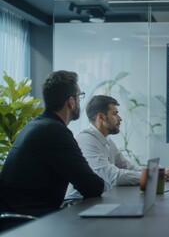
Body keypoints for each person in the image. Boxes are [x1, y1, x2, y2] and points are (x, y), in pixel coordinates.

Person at [0, 70, 104, 217]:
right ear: (71, 101)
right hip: (28, 223)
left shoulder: (36, 125)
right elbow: (92, 187)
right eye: (79, 96)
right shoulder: (55, 132)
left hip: (16, 218)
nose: (80, 101)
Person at [65, 95, 169, 199]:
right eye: (115, 114)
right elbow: (114, 177)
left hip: (99, 200)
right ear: (101, 117)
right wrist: (155, 176)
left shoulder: (106, 140)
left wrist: (161, 172)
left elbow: (130, 167)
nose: (120, 118)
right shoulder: (86, 140)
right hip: (80, 205)